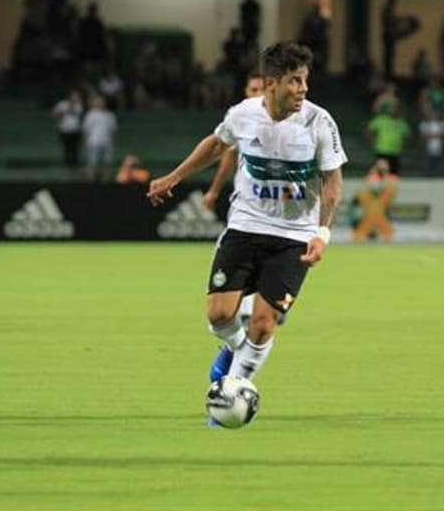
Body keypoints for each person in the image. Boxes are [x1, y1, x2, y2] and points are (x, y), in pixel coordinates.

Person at [146, 41, 346, 426]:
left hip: (294, 236)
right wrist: (174, 177)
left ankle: (231, 394)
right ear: (271, 83)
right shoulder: (243, 114)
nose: (303, 89)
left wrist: (322, 233)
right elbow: (216, 145)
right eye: (295, 81)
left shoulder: (319, 122)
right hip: (245, 226)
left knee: (263, 323)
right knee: (220, 316)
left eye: (305, 81)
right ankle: (237, 353)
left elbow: (333, 184)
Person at [201, 74, 264, 212]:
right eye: (254, 90)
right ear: (246, 91)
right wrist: (214, 191)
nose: (258, 95)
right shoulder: (239, 117)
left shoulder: (290, 117)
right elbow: (228, 153)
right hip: (248, 202)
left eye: (262, 90)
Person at [82, 94, 117, 183]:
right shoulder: (90, 115)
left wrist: (112, 142)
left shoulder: (110, 115)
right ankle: (91, 181)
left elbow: (112, 130)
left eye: (101, 101)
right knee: (92, 163)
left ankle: (105, 181)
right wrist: (86, 143)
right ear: (93, 102)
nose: (99, 103)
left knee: (107, 163)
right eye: (97, 101)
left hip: (107, 142)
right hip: (93, 142)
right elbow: (86, 130)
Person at [52, 89, 84, 169]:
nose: (75, 97)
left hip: (75, 130)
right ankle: (68, 164)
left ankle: (75, 164)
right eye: (74, 95)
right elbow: (55, 113)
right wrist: (60, 117)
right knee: (67, 148)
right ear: (70, 96)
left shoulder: (79, 105)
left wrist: (72, 105)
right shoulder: (62, 103)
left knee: (75, 148)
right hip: (64, 130)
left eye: (77, 96)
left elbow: (79, 115)